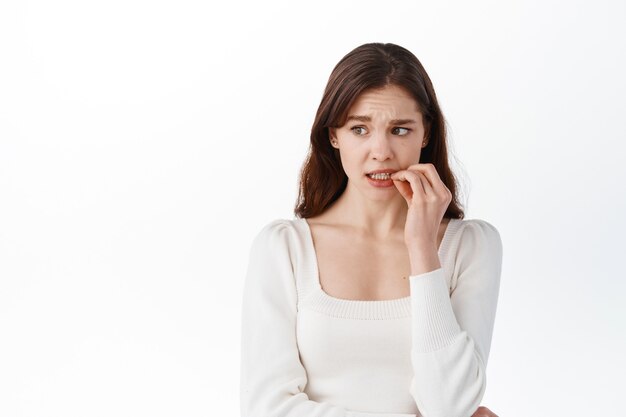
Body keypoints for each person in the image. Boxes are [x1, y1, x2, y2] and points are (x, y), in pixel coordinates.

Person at [240, 43, 502, 417]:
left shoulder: (472, 245)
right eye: (359, 129)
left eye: (400, 129)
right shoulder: (284, 247)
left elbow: (450, 405)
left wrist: (423, 249)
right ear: (333, 136)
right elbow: (266, 408)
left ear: (425, 134)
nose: (381, 151)